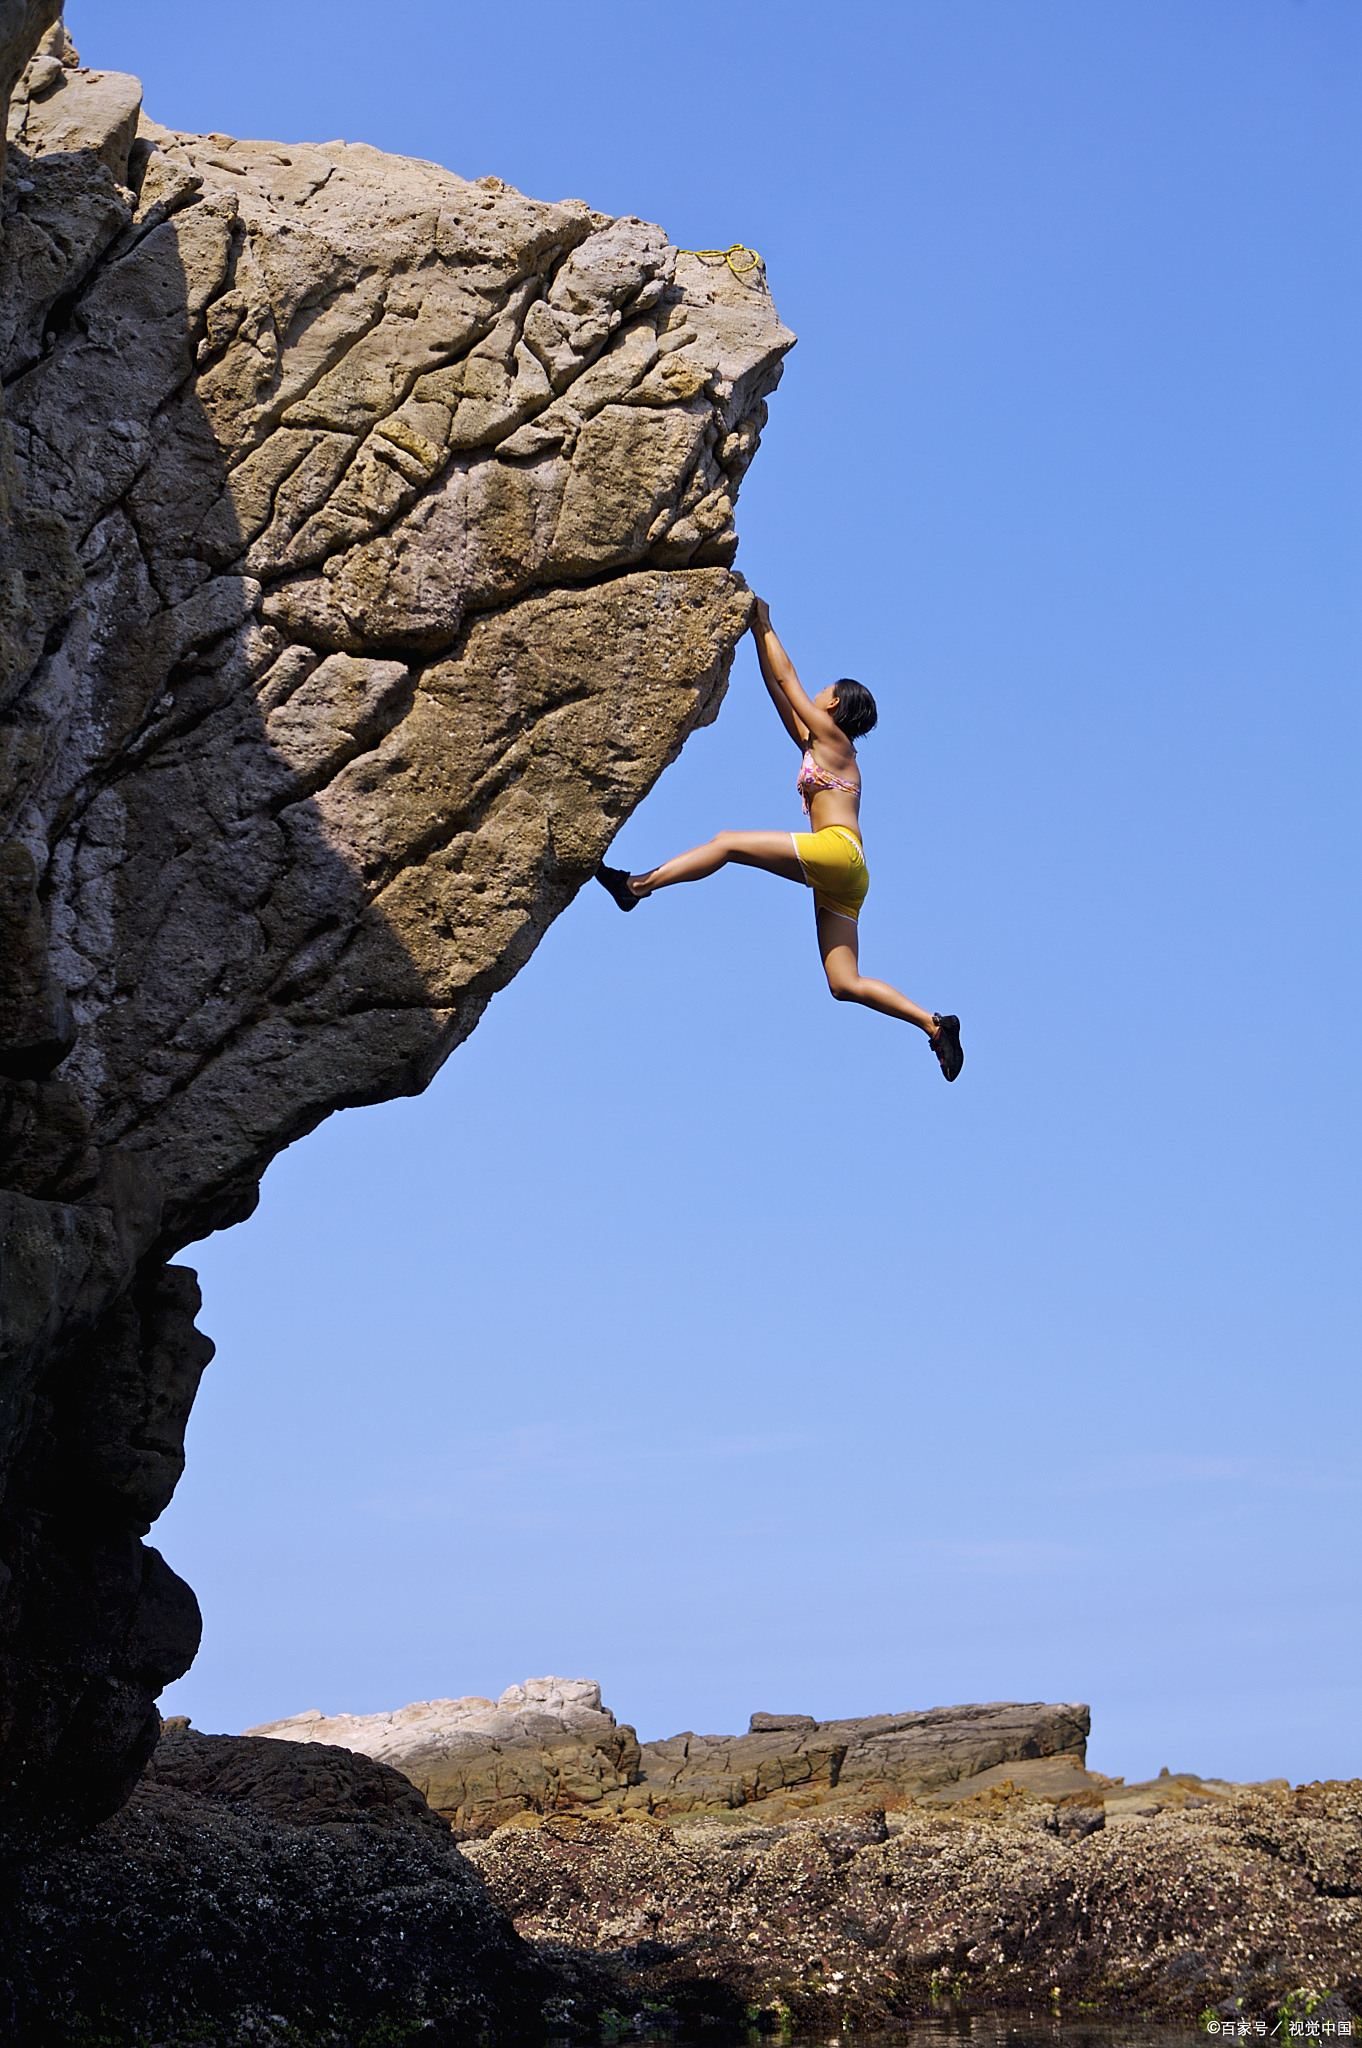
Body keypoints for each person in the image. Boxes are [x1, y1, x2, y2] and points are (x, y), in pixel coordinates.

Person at [595, 597, 964, 1082]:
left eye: (824, 689)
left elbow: (788, 678)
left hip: (837, 853)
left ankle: (635, 887)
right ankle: (934, 1026)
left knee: (727, 843)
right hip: (848, 876)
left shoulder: (835, 741)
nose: (816, 691)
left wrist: (764, 620)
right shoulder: (823, 746)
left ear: (833, 704)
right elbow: (779, 690)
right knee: (843, 983)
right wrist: (751, 635)